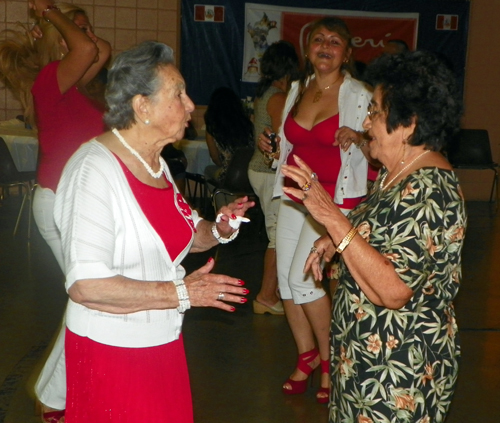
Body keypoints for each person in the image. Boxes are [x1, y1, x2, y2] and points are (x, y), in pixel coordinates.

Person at [53, 40, 253, 422]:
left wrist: (221, 228)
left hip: (161, 342)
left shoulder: (156, 165)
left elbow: (190, 233)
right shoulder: (93, 171)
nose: (191, 105)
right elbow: (86, 285)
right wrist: (182, 292)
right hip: (112, 352)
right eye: (178, 94)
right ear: (141, 106)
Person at [281, 50, 466, 422]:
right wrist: (335, 240)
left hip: (398, 377)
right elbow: (383, 236)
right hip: (365, 365)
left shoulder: (429, 189)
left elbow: (394, 290)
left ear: (409, 123)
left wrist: (335, 221)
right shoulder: (395, 172)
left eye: (376, 112)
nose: (366, 123)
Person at [1, 2, 111, 422]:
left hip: (83, 204)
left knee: (88, 297)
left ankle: (57, 389)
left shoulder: (82, 87)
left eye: (85, 27)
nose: (84, 35)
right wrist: (49, 13)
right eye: (73, 30)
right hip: (59, 203)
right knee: (91, 297)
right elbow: (88, 49)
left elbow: (98, 49)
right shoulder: (50, 79)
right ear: (55, 42)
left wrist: (65, 26)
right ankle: (52, 393)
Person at [259, 17, 373, 403]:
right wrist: (275, 151)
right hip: (294, 196)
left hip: (331, 203)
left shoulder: (359, 94)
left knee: (304, 280)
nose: (325, 46)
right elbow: (291, 147)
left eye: (335, 41)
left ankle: (329, 363)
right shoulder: (296, 89)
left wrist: (359, 138)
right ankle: (306, 356)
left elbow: (384, 151)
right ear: (308, 49)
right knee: (290, 286)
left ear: (347, 53)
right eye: (318, 40)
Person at [248, 41, 300, 315]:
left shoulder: (265, 93)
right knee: (278, 237)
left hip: (260, 170)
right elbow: (285, 137)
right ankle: (266, 295)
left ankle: (273, 290)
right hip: (269, 171)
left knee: (277, 234)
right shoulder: (278, 97)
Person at [204, 86, 254, 186]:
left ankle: (219, 200)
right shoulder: (247, 125)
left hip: (229, 175)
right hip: (250, 174)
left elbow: (215, 158)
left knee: (208, 170)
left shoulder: (212, 128)